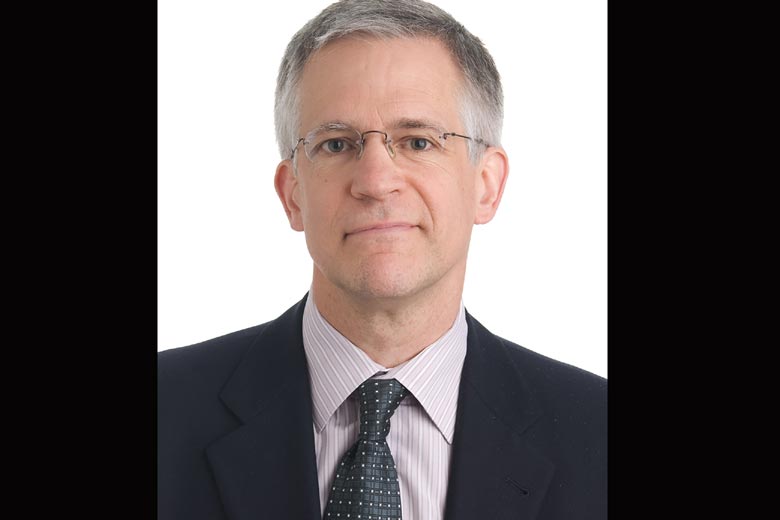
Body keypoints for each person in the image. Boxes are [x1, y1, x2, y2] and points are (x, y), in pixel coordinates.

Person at [157, 1, 607, 519]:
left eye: (418, 141)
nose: (375, 181)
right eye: (336, 144)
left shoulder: (597, 433)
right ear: (292, 194)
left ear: (486, 185)